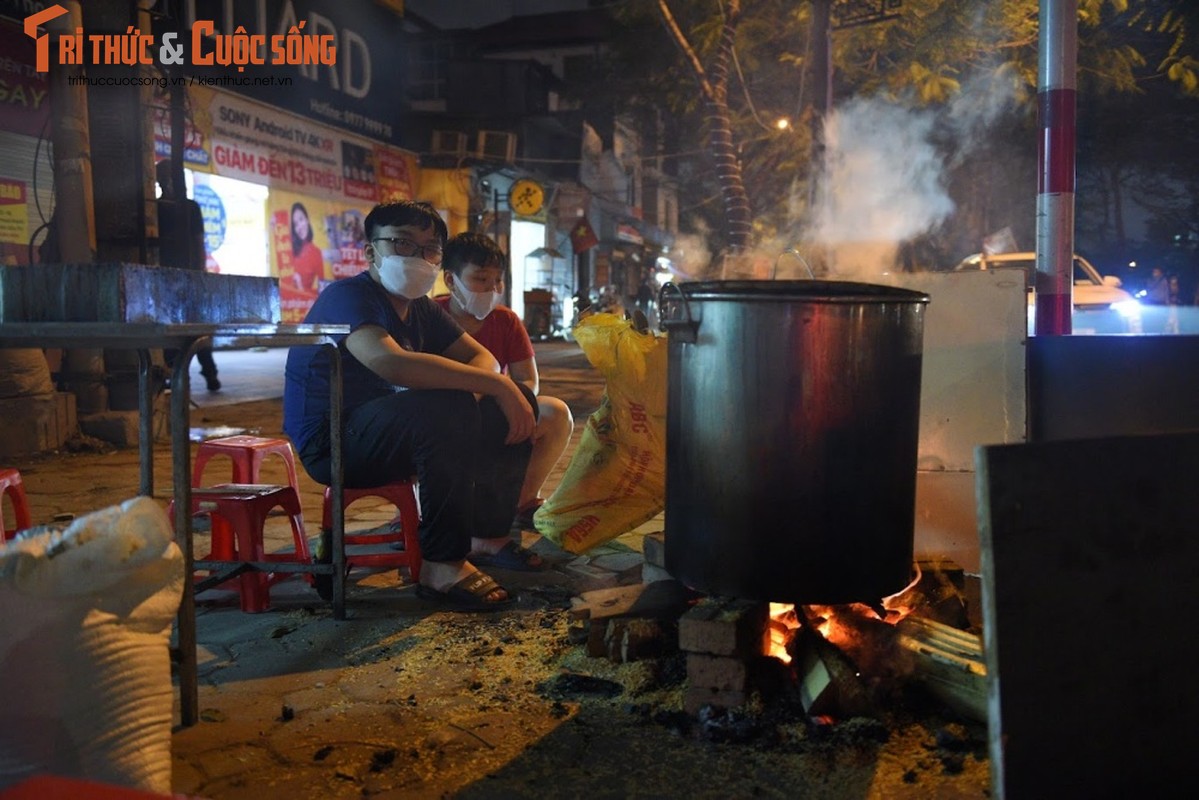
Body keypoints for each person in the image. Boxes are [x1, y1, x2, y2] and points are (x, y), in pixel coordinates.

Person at [283, 201, 543, 611]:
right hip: (335, 442)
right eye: (403, 243)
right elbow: (390, 362)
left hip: (393, 429)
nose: (418, 257)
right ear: (371, 252)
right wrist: (493, 387)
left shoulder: (420, 309)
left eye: (429, 249)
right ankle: (441, 567)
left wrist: (499, 389)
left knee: (510, 401)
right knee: (450, 405)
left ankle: (485, 536)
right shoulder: (348, 296)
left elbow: (483, 360)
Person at [436, 232, 575, 530]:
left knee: (557, 413)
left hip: (499, 413)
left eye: (497, 281)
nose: (492, 289)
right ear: (450, 280)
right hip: (445, 420)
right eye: (481, 279)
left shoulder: (506, 321)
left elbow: (528, 380)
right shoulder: (431, 316)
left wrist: (509, 400)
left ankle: (522, 501)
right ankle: (424, 504)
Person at [156, 160, 220, 392]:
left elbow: (198, 244)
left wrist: (199, 276)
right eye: (163, 178)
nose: (167, 182)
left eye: (169, 177)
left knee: (195, 331)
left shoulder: (190, 208)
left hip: (187, 278)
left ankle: (208, 374)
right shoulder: (158, 208)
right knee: (176, 331)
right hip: (166, 280)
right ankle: (181, 377)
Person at [289, 202, 326, 292]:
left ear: (307, 220)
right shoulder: (288, 249)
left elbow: (322, 290)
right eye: (295, 224)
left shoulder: (316, 253)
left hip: (305, 304)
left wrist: (300, 286)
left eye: (301, 219)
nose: (299, 227)